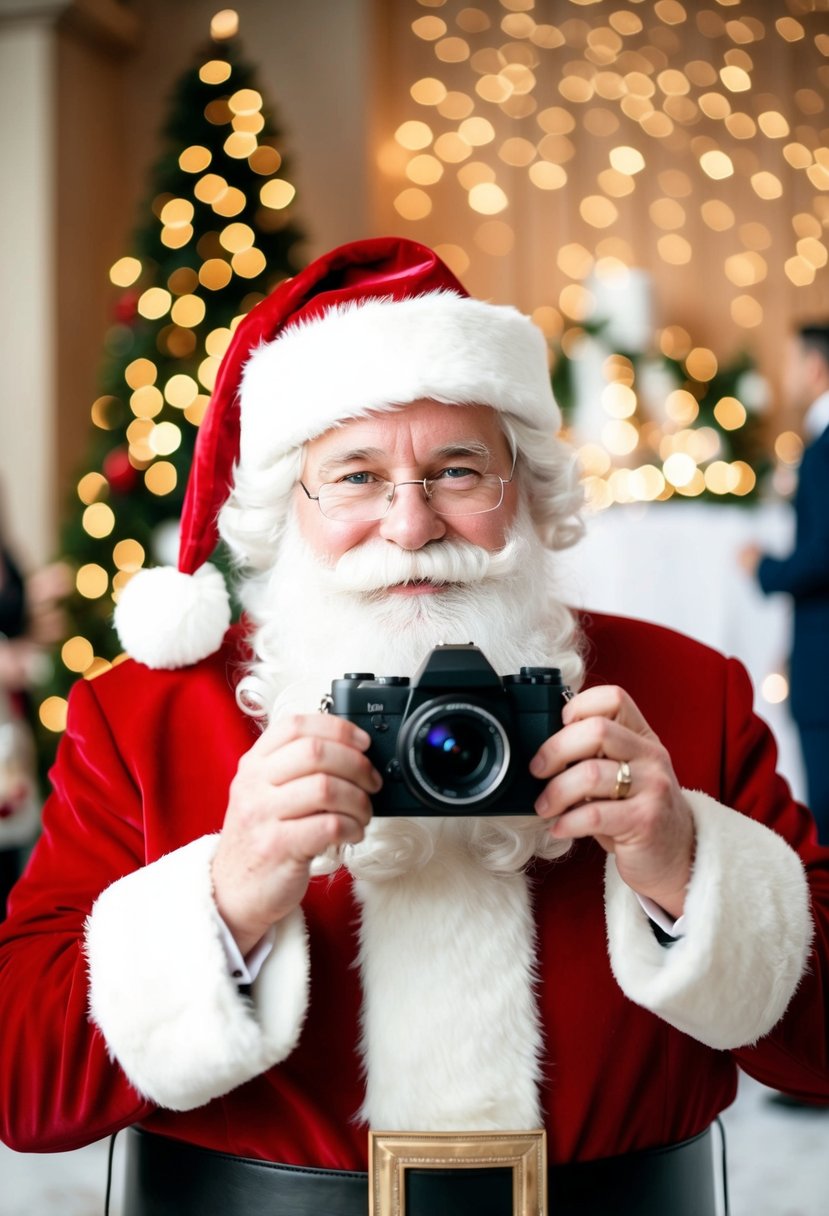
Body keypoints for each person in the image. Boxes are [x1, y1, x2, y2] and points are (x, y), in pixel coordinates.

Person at [0, 238, 825, 1216]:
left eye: (457, 469)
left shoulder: (684, 694)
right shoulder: (148, 715)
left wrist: (684, 865)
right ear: (284, 506)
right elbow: (26, 1089)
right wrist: (225, 898)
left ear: (521, 488)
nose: (409, 523)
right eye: (354, 476)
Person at [742, 323, 829, 845]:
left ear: (816, 368)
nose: (787, 373)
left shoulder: (823, 450)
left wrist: (763, 567)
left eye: (793, 361)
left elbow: (821, 556)